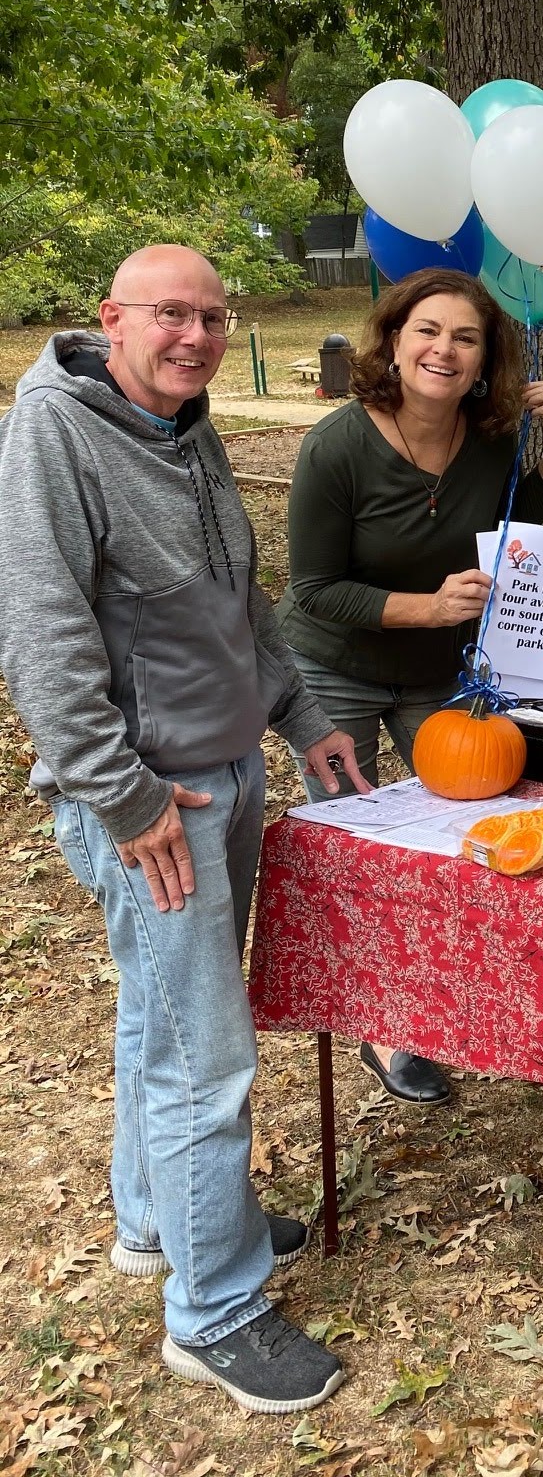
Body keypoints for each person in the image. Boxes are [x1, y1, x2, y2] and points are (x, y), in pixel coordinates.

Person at [0, 247, 368, 1415]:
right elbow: (41, 634)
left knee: (159, 1020)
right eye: (172, 314)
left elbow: (237, 600)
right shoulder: (54, 432)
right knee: (207, 1053)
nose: (197, 336)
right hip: (155, 802)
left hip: (226, 766)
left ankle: (161, 1219)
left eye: (214, 317)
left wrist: (300, 716)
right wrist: (125, 798)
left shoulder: (184, 425)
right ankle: (215, 1311)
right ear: (110, 319)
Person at [276, 269, 543, 1103]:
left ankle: (460, 989)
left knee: (470, 822)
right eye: (428, 331)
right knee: (365, 842)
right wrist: (432, 606)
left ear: (485, 360)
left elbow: (509, 533)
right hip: (333, 667)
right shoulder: (337, 446)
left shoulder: (491, 438)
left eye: (466, 337)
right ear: (394, 342)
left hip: (438, 670)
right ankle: (385, 1030)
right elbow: (313, 588)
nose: (445, 349)